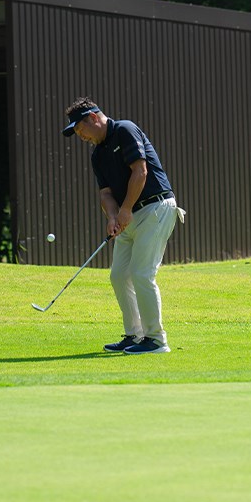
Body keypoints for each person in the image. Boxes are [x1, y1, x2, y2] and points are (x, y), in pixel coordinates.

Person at [62, 97, 185, 354]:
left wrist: (126, 209)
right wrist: (113, 216)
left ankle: (156, 340)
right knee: (119, 275)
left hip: (156, 207)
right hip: (129, 215)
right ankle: (135, 335)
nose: (81, 136)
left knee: (142, 273)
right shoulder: (97, 155)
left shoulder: (125, 130)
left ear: (93, 118)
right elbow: (105, 193)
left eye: (80, 129)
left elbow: (140, 172)